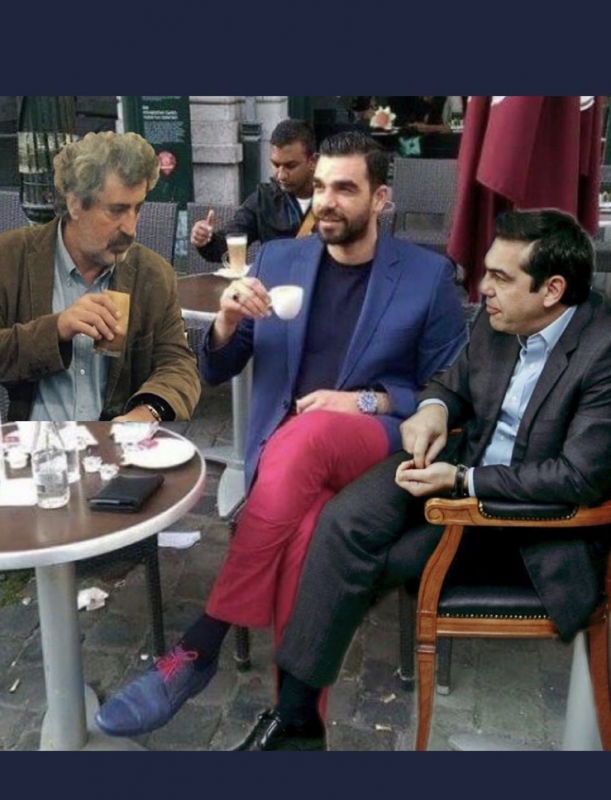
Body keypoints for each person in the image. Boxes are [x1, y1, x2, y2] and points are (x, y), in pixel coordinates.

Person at [95, 131, 467, 740]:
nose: (327, 201)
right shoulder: (275, 260)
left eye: (345, 188)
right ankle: (296, 726)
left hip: (376, 446)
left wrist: (365, 401)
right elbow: (217, 367)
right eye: (320, 187)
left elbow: (452, 387)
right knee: (307, 534)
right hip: (287, 466)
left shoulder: (427, 277)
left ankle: (202, 642)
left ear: (380, 199)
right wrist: (226, 319)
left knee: (312, 431)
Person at [233, 208, 611, 751]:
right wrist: (432, 411)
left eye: (500, 277)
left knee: (363, 563)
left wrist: (463, 480)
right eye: (486, 272)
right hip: (452, 466)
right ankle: (298, 722)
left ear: (552, 289)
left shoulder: (602, 350)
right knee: (340, 524)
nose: (483, 290)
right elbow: (448, 383)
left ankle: (293, 722)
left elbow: (577, 478)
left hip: (521, 522)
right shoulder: (501, 318)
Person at [0, 131, 200, 421]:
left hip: (116, 443)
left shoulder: (152, 274)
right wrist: (56, 329)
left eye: (138, 208)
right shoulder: (3, 258)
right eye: (117, 210)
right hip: (35, 442)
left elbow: (178, 363)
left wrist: (148, 411)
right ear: (75, 204)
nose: (130, 228)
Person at [190, 119, 318, 264]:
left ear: (313, 161)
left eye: (290, 166)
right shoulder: (263, 200)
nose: (281, 175)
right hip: (274, 278)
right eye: (276, 165)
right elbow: (225, 245)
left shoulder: (333, 199)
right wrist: (206, 240)